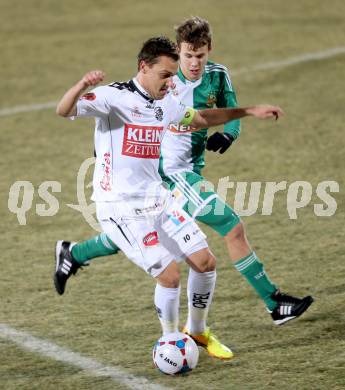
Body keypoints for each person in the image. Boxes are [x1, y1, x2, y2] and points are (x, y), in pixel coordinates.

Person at [55, 36, 284, 360]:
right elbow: (64, 110)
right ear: (143, 67)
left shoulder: (166, 103)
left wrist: (246, 111)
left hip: (158, 200)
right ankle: (172, 343)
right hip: (119, 206)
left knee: (205, 263)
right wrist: (81, 84)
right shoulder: (112, 98)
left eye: (173, 74)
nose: (171, 81)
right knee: (170, 275)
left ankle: (198, 332)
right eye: (165, 74)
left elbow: (201, 120)